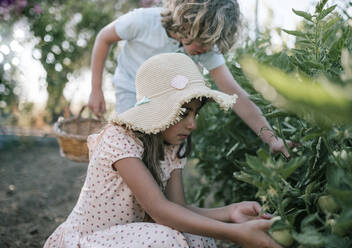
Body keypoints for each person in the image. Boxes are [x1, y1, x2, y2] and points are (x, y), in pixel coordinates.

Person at [45, 53, 282, 248]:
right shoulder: (119, 138)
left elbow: (178, 209)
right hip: (89, 240)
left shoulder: (170, 148)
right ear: (157, 110)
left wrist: (231, 213)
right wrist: (236, 233)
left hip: (128, 238)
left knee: (197, 235)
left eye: (195, 113)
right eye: (183, 112)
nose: (193, 124)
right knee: (165, 240)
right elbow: (161, 211)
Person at [88, 0, 293, 159]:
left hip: (169, 100)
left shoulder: (204, 46)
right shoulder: (143, 21)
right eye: (203, 40)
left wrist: (272, 139)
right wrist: (96, 89)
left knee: (167, 154)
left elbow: (235, 94)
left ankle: (161, 205)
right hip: (131, 91)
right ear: (186, 20)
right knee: (132, 146)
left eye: (211, 44)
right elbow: (103, 38)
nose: (205, 49)